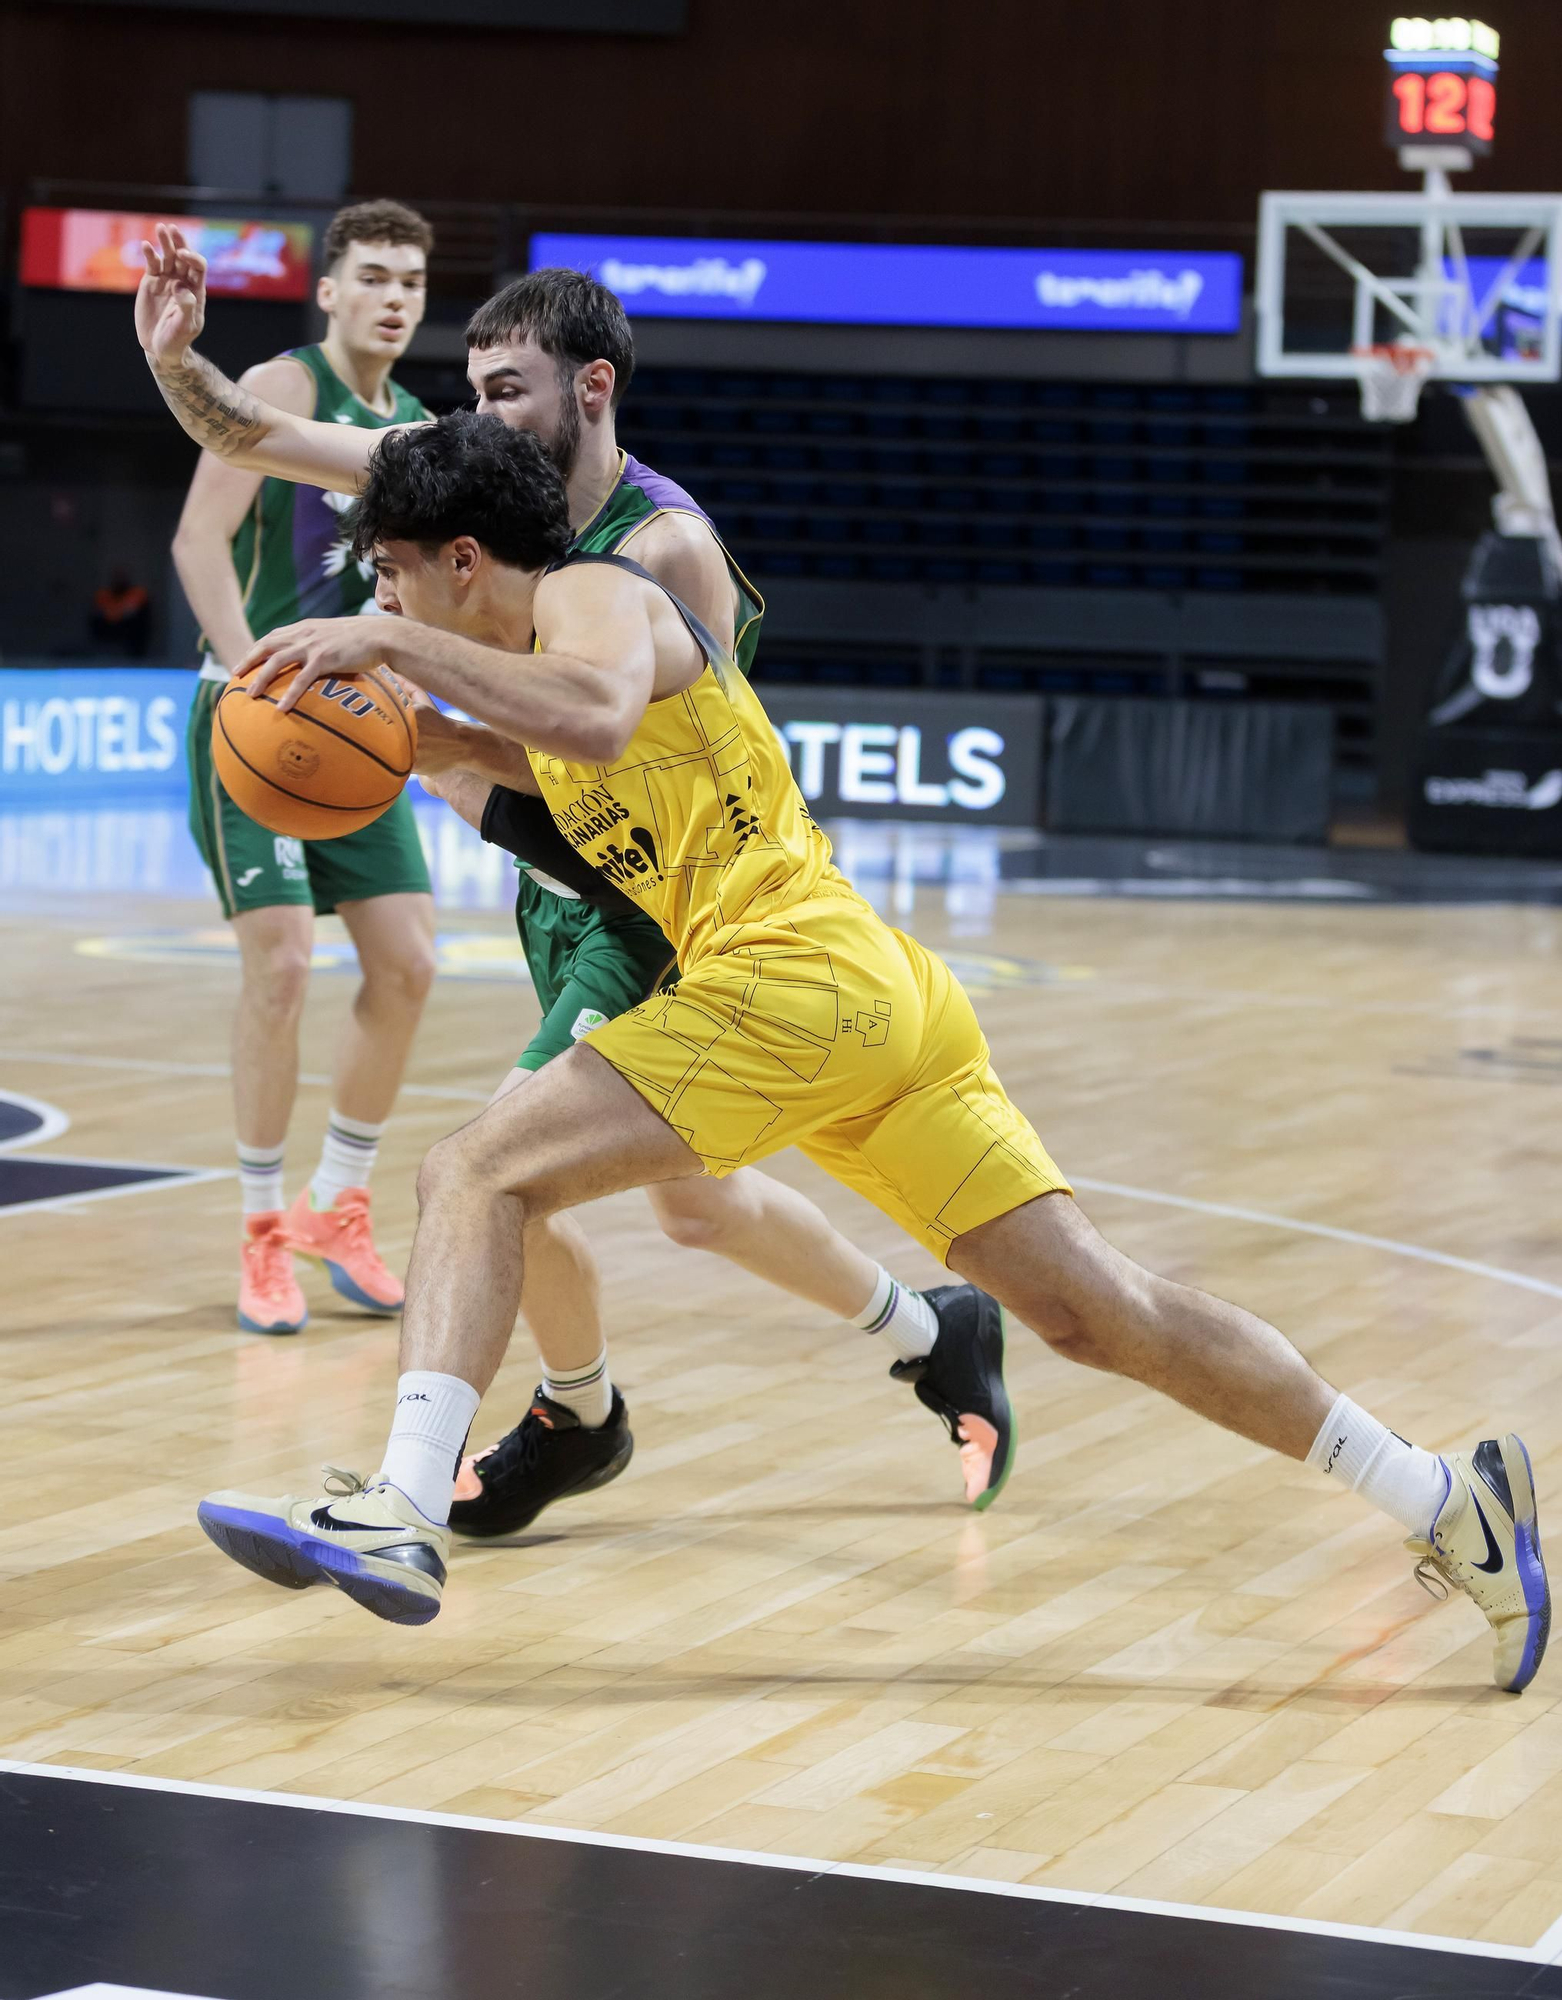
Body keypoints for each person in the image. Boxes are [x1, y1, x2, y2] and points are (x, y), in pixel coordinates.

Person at [173, 398, 1546, 1696]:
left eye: (397, 580)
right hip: (872, 1001)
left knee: (475, 1175)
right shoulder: (538, 662)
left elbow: (589, 712)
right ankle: (1446, 1496)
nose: (388, 601)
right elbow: (569, 757)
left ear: (464, 560)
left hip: (785, 981)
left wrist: (393, 655)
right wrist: (417, 738)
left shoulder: (593, 596)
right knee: (1094, 1313)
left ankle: (400, 1509)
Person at [140, 232, 1017, 1528]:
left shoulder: (660, 552)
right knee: (695, 1209)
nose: (478, 413)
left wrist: (428, 713)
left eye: (507, 390)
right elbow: (259, 436)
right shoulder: (478, 494)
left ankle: (561, 1421)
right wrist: (174, 361)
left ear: (589, 389)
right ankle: (930, 1332)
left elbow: (669, 773)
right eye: (476, 388)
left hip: (652, 896)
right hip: (552, 893)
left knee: (496, 1169)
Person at [170, 201, 436, 1336]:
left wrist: (420, 667)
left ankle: (341, 1201)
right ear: (326, 291)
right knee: (280, 964)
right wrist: (250, 681)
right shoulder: (279, 389)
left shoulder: (421, 426)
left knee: (410, 962)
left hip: (354, 728)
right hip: (253, 716)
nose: (393, 298)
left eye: (412, 283)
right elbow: (197, 544)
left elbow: (409, 588)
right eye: (372, 276)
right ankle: (262, 1227)